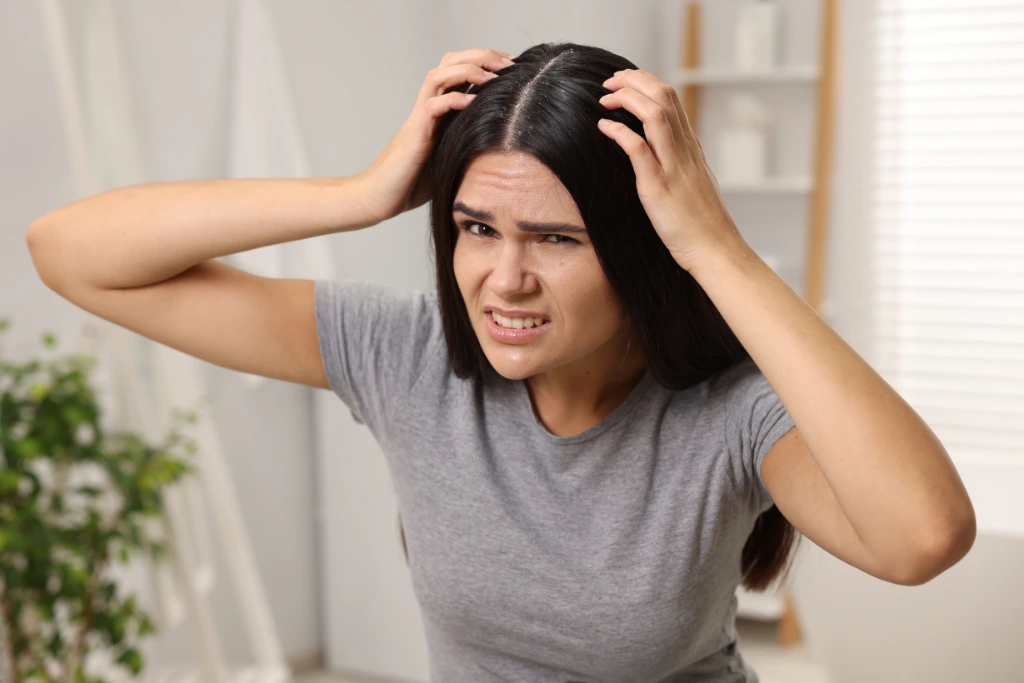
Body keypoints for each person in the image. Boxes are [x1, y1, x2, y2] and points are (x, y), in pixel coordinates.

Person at [26, 41, 976, 683]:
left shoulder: (729, 412)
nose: (503, 280)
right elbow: (70, 252)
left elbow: (920, 536)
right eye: (476, 227)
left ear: (645, 248)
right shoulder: (409, 356)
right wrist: (360, 193)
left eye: (557, 239)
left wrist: (717, 249)